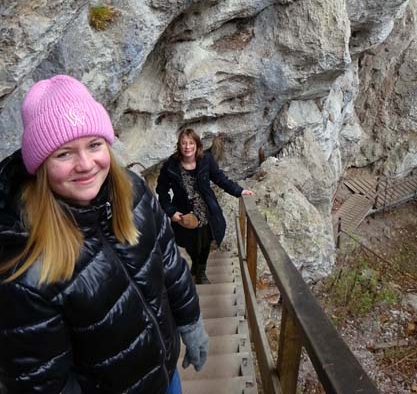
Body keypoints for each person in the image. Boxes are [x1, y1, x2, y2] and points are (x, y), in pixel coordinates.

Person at [0, 75, 209, 394]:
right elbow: (43, 383)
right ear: (39, 166)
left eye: (94, 145)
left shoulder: (131, 190)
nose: (85, 164)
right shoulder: (25, 264)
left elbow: (168, 262)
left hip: (166, 374)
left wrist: (190, 321)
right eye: (64, 153)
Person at [156, 128, 254, 284]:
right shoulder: (171, 164)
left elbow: (220, 179)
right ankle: (195, 263)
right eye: (184, 143)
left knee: (204, 242)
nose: (187, 147)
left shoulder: (206, 160)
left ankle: (201, 271)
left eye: (191, 143)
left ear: (197, 144)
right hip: (184, 212)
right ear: (179, 145)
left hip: (207, 210)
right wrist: (171, 212)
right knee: (190, 243)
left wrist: (239, 191)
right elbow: (162, 190)